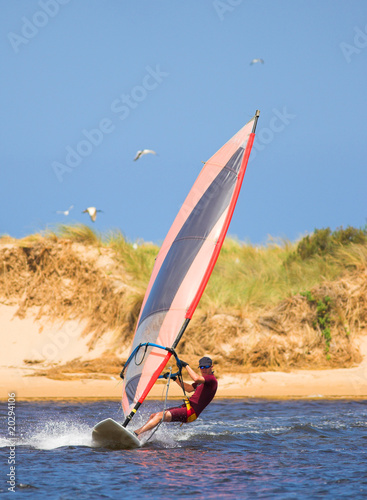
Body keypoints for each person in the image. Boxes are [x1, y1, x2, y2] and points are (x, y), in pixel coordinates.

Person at [134, 356, 218, 437]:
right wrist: (175, 379)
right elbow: (188, 388)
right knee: (154, 416)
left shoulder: (211, 379)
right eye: (201, 367)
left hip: (191, 413)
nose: (204, 369)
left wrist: (186, 365)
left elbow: (196, 378)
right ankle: (140, 436)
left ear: (211, 367)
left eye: (206, 367)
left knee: (160, 416)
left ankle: (136, 433)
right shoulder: (202, 381)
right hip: (187, 408)